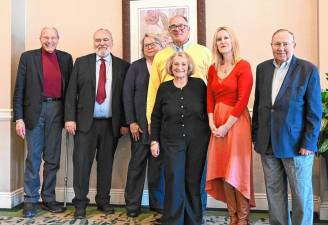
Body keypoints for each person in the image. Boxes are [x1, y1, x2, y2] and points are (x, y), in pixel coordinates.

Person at [252, 29, 322, 225]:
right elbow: (259, 105)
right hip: (268, 143)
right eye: (277, 44)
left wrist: (309, 142)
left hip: (297, 145)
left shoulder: (308, 69)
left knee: (301, 195)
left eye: (285, 44)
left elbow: (314, 112)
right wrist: (256, 135)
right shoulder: (262, 68)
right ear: (271, 45)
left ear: (294, 45)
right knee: (274, 193)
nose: (281, 48)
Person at [146, 15, 211, 212]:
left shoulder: (204, 53)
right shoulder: (161, 56)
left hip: (197, 128)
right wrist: (151, 122)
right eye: (173, 26)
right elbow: (153, 91)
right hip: (170, 128)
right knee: (172, 176)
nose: (177, 29)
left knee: (195, 176)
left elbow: (212, 91)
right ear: (168, 30)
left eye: (181, 26)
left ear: (189, 28)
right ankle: (173, 216)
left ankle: (195, 215)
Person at [65, 28, 130, 219]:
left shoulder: (122, 66)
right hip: (85, 124)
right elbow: (71, 93)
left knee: (106, 165)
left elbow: (126, 98)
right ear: (94, 42)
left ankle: (103, 200)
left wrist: (125, 122)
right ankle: (80, 204)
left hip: (111, 125)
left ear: (112, 41)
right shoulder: (82, 63)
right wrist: (69, 118)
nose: (102, 43)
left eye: (105, 39)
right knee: (82, 164)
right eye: (98, 40)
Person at [13, 27, 73, 218]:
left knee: (53, 158)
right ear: (40, 38)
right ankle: (30, 200)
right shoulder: (28, 57)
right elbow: (19, 90)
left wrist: (70, 116)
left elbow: (71, 92)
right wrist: (19, 118)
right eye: (46, 37)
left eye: (53, 37)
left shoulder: (66, 58)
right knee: (34, 158)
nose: (49, 41)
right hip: (34, 113)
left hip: (57, 111)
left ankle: (48, 198)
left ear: (58, 38)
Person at [206, 27, 255, 225]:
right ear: (215, 44)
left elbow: (243, 99)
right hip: (217, 122)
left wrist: (227, 125)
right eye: (219, 39)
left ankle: (243, 219)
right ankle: (232, 217)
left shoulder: (243, 66)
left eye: (226, 38)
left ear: (232, 41)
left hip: (237, 122)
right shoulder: (212, 68)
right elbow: (209, 97)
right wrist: (211, 122)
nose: (223, 41)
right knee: (223, 170)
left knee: (237, 170)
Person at [123, 33, 165, 217]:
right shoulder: (135, 67)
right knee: (136, 167)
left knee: (158, 168)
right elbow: (126, 95)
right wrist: (131, 121)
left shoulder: (166, 65)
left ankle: (158, 204)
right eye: (146, 45)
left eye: (154, 43)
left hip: (161, 128)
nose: (150, 47)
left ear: (161, 45)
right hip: (139, 127)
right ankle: (132, 206)